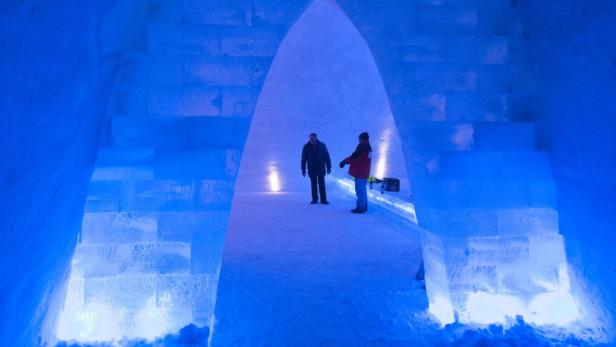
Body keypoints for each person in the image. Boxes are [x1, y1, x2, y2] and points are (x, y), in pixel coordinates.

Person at [339, 132, 372, 213]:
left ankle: (360, 208)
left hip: (360, 172)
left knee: (360, 191)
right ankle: (364, 206)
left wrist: (345, 161)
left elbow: (356, 158)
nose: (358, 140)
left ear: (363, 139)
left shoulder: (363, 149)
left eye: (360, 139)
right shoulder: (368, 148)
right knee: (363, 190)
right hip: (364, 172)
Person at [301, 133, 332, 204]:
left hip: (321, 168)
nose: (311, 139)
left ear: (316, 138)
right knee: (313, 184)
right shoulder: (306, 147)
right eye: (310, 138)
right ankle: (314, 199)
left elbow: (327, 157)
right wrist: (303, 169)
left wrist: (329, 167)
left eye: (313, 138)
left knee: (322, 184)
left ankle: (323, 199)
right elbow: (303, 158)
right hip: (311, 168)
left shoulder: (322, 145)